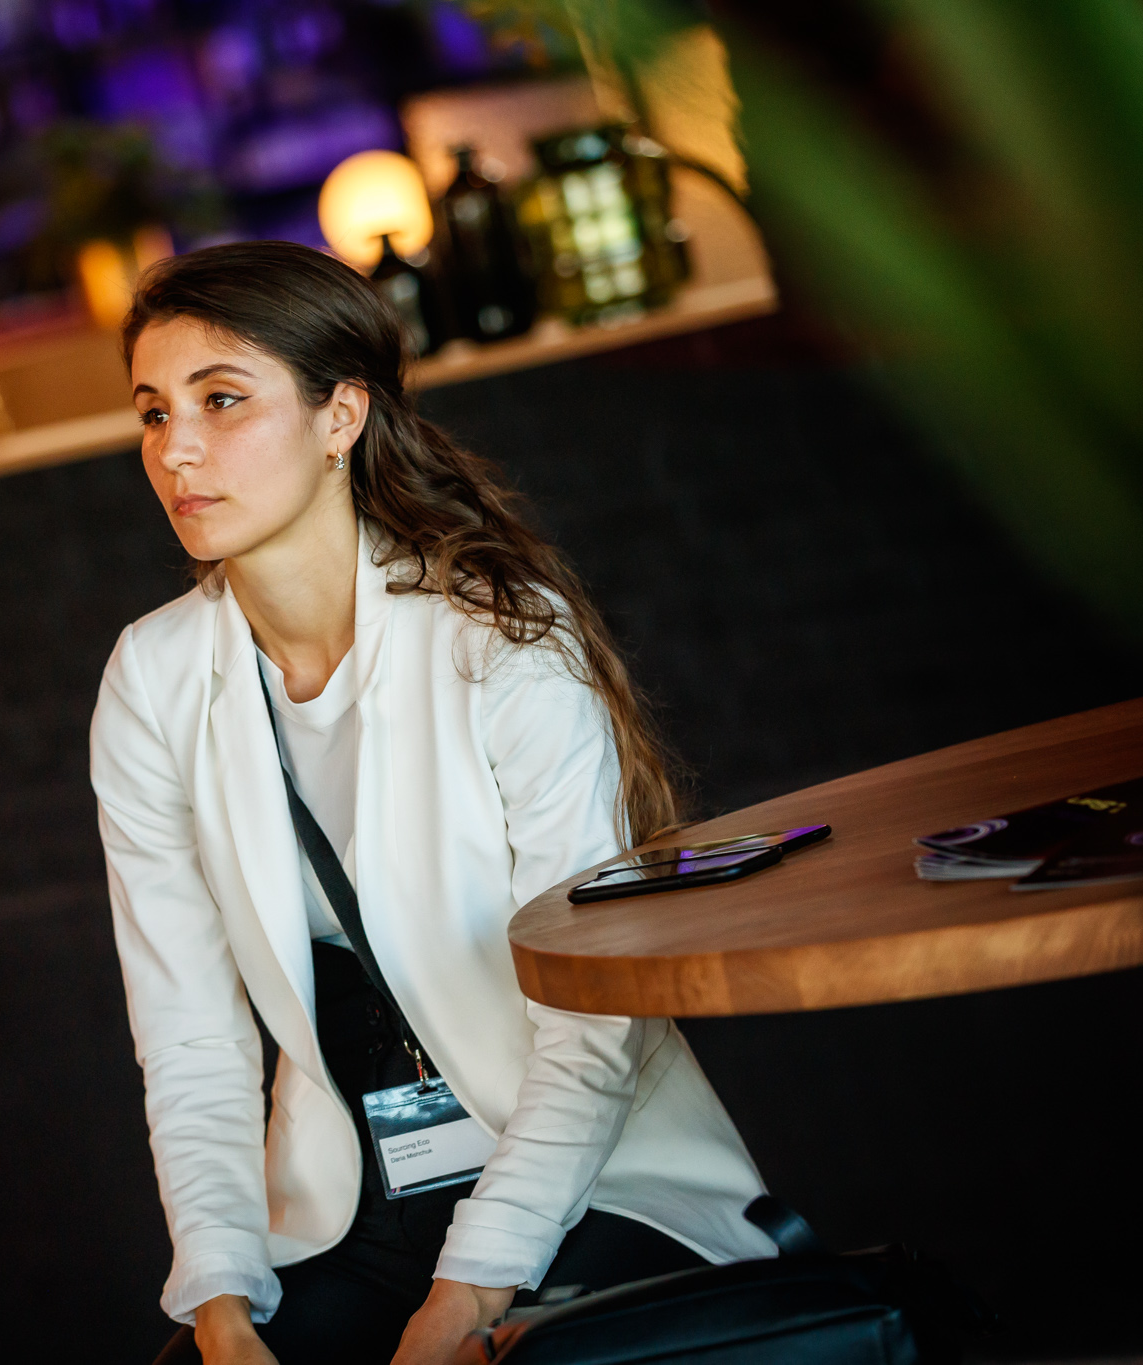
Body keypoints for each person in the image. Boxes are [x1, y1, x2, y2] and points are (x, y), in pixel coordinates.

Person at [89, 242, 772, 1365]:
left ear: (340, 416)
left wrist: (465, 1295)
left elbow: (594, 1021)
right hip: (350, 1202)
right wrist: (218, 1301)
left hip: (585, 1166)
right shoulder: (151, 680)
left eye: (222, 400)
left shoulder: (497, 636)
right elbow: (189, 1033)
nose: (178, 449)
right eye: (153, 413)